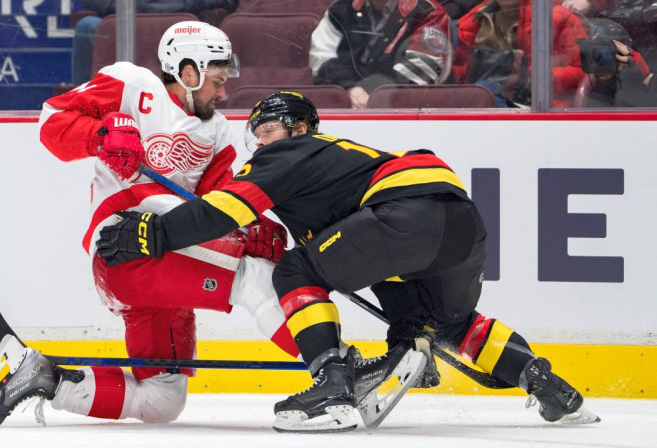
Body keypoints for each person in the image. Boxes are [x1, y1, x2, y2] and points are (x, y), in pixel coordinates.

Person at [92, 91, 602, 432]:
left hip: (402, 213)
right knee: (445, 323)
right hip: (458, 223)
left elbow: (225, 209)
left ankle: (331, 385)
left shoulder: (288, 154)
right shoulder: (332, 162)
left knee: (296, 270)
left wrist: (152, 233)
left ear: (297, 128)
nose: (259, 145)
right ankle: (546, 384)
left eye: (265, 132)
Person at [0, 21, 302, 428]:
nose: (223, 92)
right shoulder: (131, 84)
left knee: (163, 400)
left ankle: (44, 379)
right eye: (216, 81)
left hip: (170, 265)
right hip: (127, 246)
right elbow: (50, 121)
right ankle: (335, 369)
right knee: (253, 276)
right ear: (188, 72)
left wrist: (249, 227)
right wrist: (101, 135)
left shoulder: (217, 132)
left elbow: (218, 208)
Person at [309, 0, 451, 109]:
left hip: (404, 113)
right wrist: (349, 88)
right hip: (344, 104)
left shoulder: (427, 11)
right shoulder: (341, 8)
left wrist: (372, 97)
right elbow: (321, 56)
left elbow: (421, 71)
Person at [451, 0, 588, 107]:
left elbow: (583, 71)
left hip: (539, 105)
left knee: (486, 90)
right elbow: (462, 72)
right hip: (484, 100)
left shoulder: (556, 16)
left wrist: (532, 77)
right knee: (484, 90)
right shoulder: (476, 21)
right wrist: (449, 73)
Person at [71, 0, 240, 85]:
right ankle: (82, 103)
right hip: (123, 17)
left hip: (184, 19)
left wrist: (183, 3)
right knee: (87, 26)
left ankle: (204, 100)